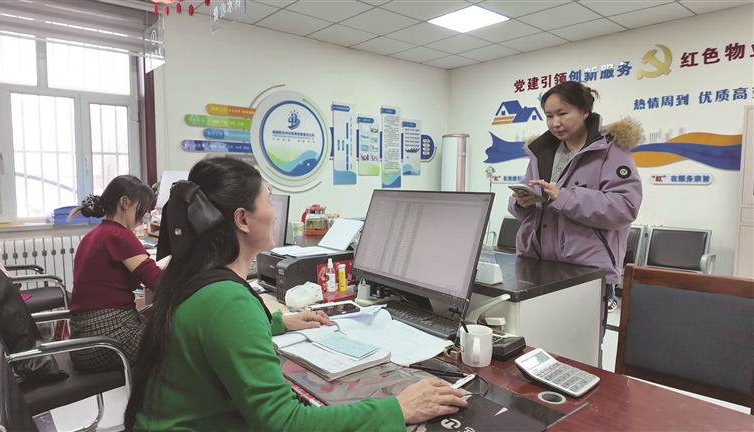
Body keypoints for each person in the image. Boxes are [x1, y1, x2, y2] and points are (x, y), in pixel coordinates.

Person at [124, 158, 467, 431]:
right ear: (242, 219)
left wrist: (277, 322)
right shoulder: (227, 301)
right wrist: (397, 409)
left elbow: (212, 334)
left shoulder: (194, 277)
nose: (274, 213)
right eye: (268, 201)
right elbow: (285, 423)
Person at [509, 81, 643, 314]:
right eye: (549, 116)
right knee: (536, 334)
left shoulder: (610, 150)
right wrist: (521, 202)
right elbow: (523, 203)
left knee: (581, 336)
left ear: (584, 111)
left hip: (586, 271)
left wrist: (564, 197)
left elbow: (625, 207)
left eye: (563, 113)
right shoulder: (541, 152)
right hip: (537, 265)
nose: (555, 123)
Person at [67, 175, 164, 372]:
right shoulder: (118, 235)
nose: (143, 216)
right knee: (180, 325)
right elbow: (159, 284)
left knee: (160, 311)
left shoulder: (94, 234)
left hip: (84, 339)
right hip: (107, 340)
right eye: (142, 208)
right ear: (125, 202)